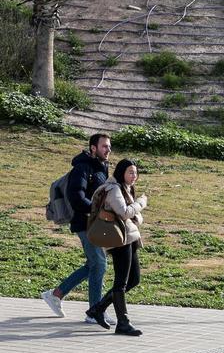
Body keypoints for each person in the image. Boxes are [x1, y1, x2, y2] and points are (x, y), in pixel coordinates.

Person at [41, 133, 114, 326]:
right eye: (104, 146)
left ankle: (56, 294)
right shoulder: (82, 168)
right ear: (93, 148)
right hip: (84, 223)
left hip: (96, 223)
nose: (108, 149)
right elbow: (76, 197)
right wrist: (97, 211)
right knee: (99, 263)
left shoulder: (102, 168)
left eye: (109, 146)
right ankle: (94, 312)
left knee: (93, 264)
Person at [85, 159, 147, 336]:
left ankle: (98, 308)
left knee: (133, 280)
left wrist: (136, 212)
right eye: (130, 172)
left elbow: (134, 216)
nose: (134, 176)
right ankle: (123, 323)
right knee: (121, 282)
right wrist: (141, 203)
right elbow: (125, 212)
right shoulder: (114, 189)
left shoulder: (126, 188)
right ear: (121, 172)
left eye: (135, 173)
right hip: (118, 240)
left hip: (130, 238)